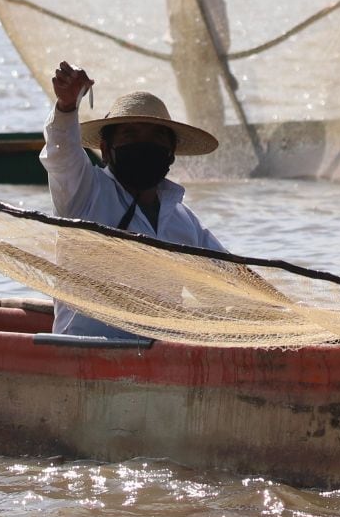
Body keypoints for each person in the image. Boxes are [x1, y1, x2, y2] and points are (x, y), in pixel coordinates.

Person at [42, 60, 224, 338]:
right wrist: (67, 106)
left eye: (156, 138)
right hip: (84, 349)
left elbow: (231, 281)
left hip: (160, 352)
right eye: (130, 135)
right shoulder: (85, 192)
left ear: (171, 153)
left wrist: (282, 312)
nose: (144, 146)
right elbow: (61, 152)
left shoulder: (183, 220)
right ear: (106, 149)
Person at [164, 0, 242, 128]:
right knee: (212, 117)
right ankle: (213, 146)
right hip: (203, 58)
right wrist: (226, 70)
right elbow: (216, 30)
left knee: (196, 115)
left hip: (182, 59)